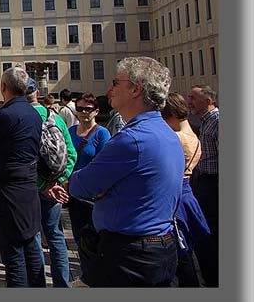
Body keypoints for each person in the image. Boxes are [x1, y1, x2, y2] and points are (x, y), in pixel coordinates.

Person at [67, 57, 184, 287]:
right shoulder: (167, 132)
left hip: (130, 255)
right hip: (160, 247)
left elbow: (80, 185)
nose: (110, 89)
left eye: (116, 82)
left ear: (135, 90)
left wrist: (100, 187)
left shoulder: (131, 140)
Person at [0, 67, 45, 287]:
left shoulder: (5, 115)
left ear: (4, 87)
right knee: (31, 246)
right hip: (29, 187)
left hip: (8, 190)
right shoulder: (34, 113)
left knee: (13, 256)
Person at [27, 82, 76, 288]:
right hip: (54, 187)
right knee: (55, 235)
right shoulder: (55, 118)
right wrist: (58, 180)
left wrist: (39, 183)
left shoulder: (22, 119)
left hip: (31, 187)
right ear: (37, 93)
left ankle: (38, 285)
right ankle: (63, 285)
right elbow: (71, 153)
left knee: (35, 235)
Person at [161, 92, 210, 287]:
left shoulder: (176, 138)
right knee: (186, 251)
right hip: (187, 193)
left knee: (181, 256)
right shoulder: (194, 137)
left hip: (175, 197)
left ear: (170, 114)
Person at [65, 92, 110, 284]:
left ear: (96, 111)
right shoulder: (72, 130)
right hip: (74, 192)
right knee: (79, 237)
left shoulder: (101, 133)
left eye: (88, 109)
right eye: (80, 109)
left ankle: (95, 278)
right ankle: (87, 276)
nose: (84, 113)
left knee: (94, 239)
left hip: (92, 196)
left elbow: (104, 164)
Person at [188, 85, 219, 287]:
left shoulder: (217, 121)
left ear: (208, 101)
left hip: (214, 182)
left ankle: (215, 277)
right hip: (205, 180)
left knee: (209, 231)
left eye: (193, 98)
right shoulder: (206, 121)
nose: (189, 101)